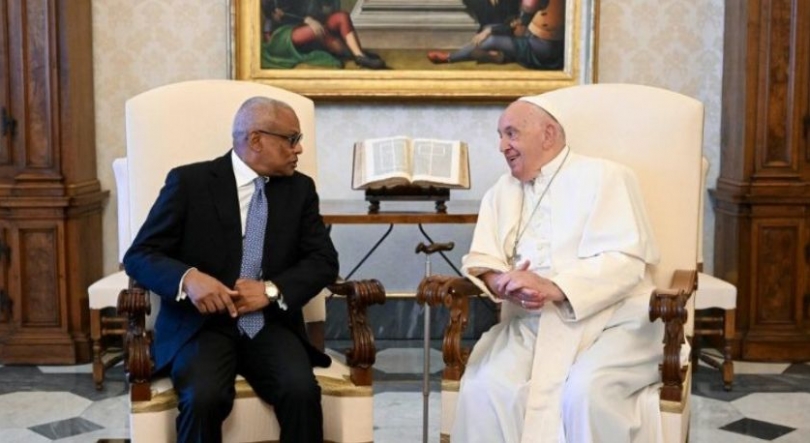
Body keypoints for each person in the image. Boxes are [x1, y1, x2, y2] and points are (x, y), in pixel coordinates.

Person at [122, 96, 338, 443]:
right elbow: (139, 254)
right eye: (292, 139)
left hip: (270, 324)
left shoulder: (300, 190)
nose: (299, 149)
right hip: (201, 326)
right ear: (256, 140)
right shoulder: (189, 183)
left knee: (300, 392)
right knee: (203, 397)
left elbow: (324, 261)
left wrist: (271, 290)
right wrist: (188, 279)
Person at [451, 94, 664, 442]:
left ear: (548, 135)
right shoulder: (501, 191)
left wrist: (554, 287)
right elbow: (481, 260)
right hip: (534, 324)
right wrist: (501, 281)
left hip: (617, 320)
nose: (502, 145)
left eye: (511, 134)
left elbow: (626, 264)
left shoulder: (607, 176)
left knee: (586, 392)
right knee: (483, 388)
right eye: (501, 136)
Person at [427, 0, 564, 69]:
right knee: (493, 31)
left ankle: (450, 58)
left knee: (490, 40)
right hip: (543, 44)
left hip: (542, 51)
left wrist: (490, 31)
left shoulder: (531, 2)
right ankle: (499, 56)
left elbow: (519, 26)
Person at [261, 0, 386, 69]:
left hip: (311, 23)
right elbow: (276, 16)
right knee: (318, 31)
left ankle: (358, 54)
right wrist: (306, 20)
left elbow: (326, 9)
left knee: (341, 17)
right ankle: (353, 54)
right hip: (281, 33)